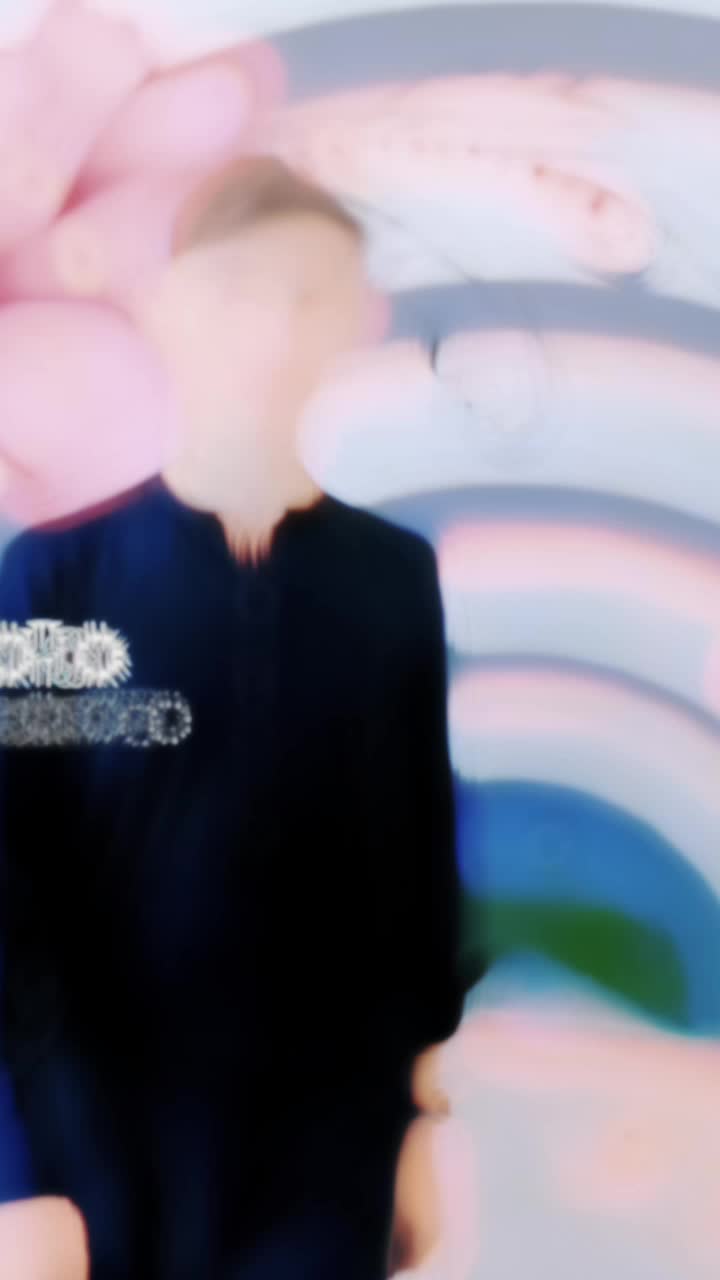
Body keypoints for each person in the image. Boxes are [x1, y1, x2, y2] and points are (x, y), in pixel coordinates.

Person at [0, 155, 466, 1279]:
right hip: (104, 1139)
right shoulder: (58, 578)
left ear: (351, 321)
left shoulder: (390, 581)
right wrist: (25, 1177)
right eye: (237, 291)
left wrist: (419, 1125)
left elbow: (416, 868)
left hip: (329, 1149)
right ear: (169, 308)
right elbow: (12, 877)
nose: (271, 330)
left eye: (308, 296)